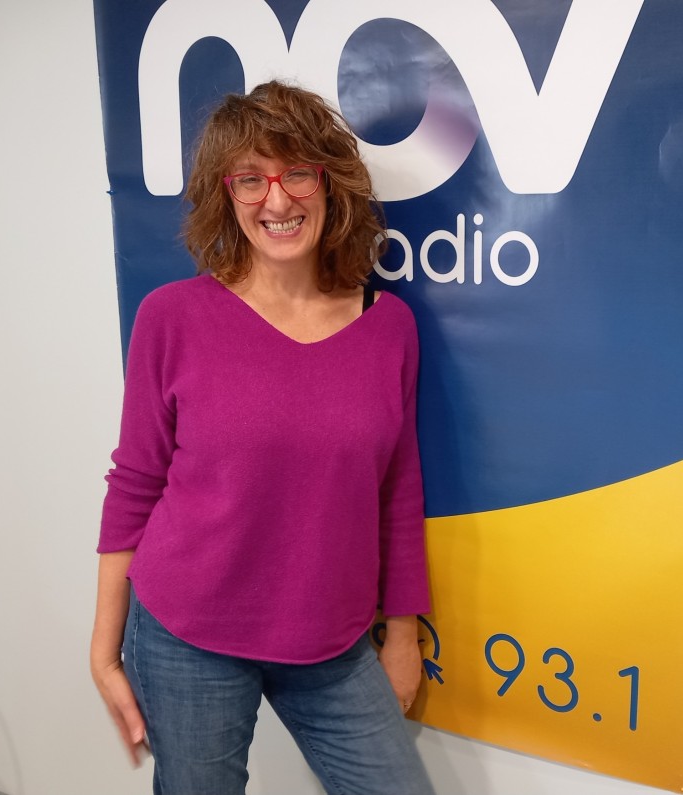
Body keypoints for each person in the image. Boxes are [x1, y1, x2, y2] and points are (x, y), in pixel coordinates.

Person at [90, 80, 434, 795]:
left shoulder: (389, 327)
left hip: (333, 640)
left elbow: (398, 489)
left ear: (329, 183)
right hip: (186, 634)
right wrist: (104, 646)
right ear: (226, 194)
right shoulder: (171, 317)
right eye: (250, 179)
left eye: (296, 173)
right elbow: (136, 482)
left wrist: (403, 633)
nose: (276, 201)